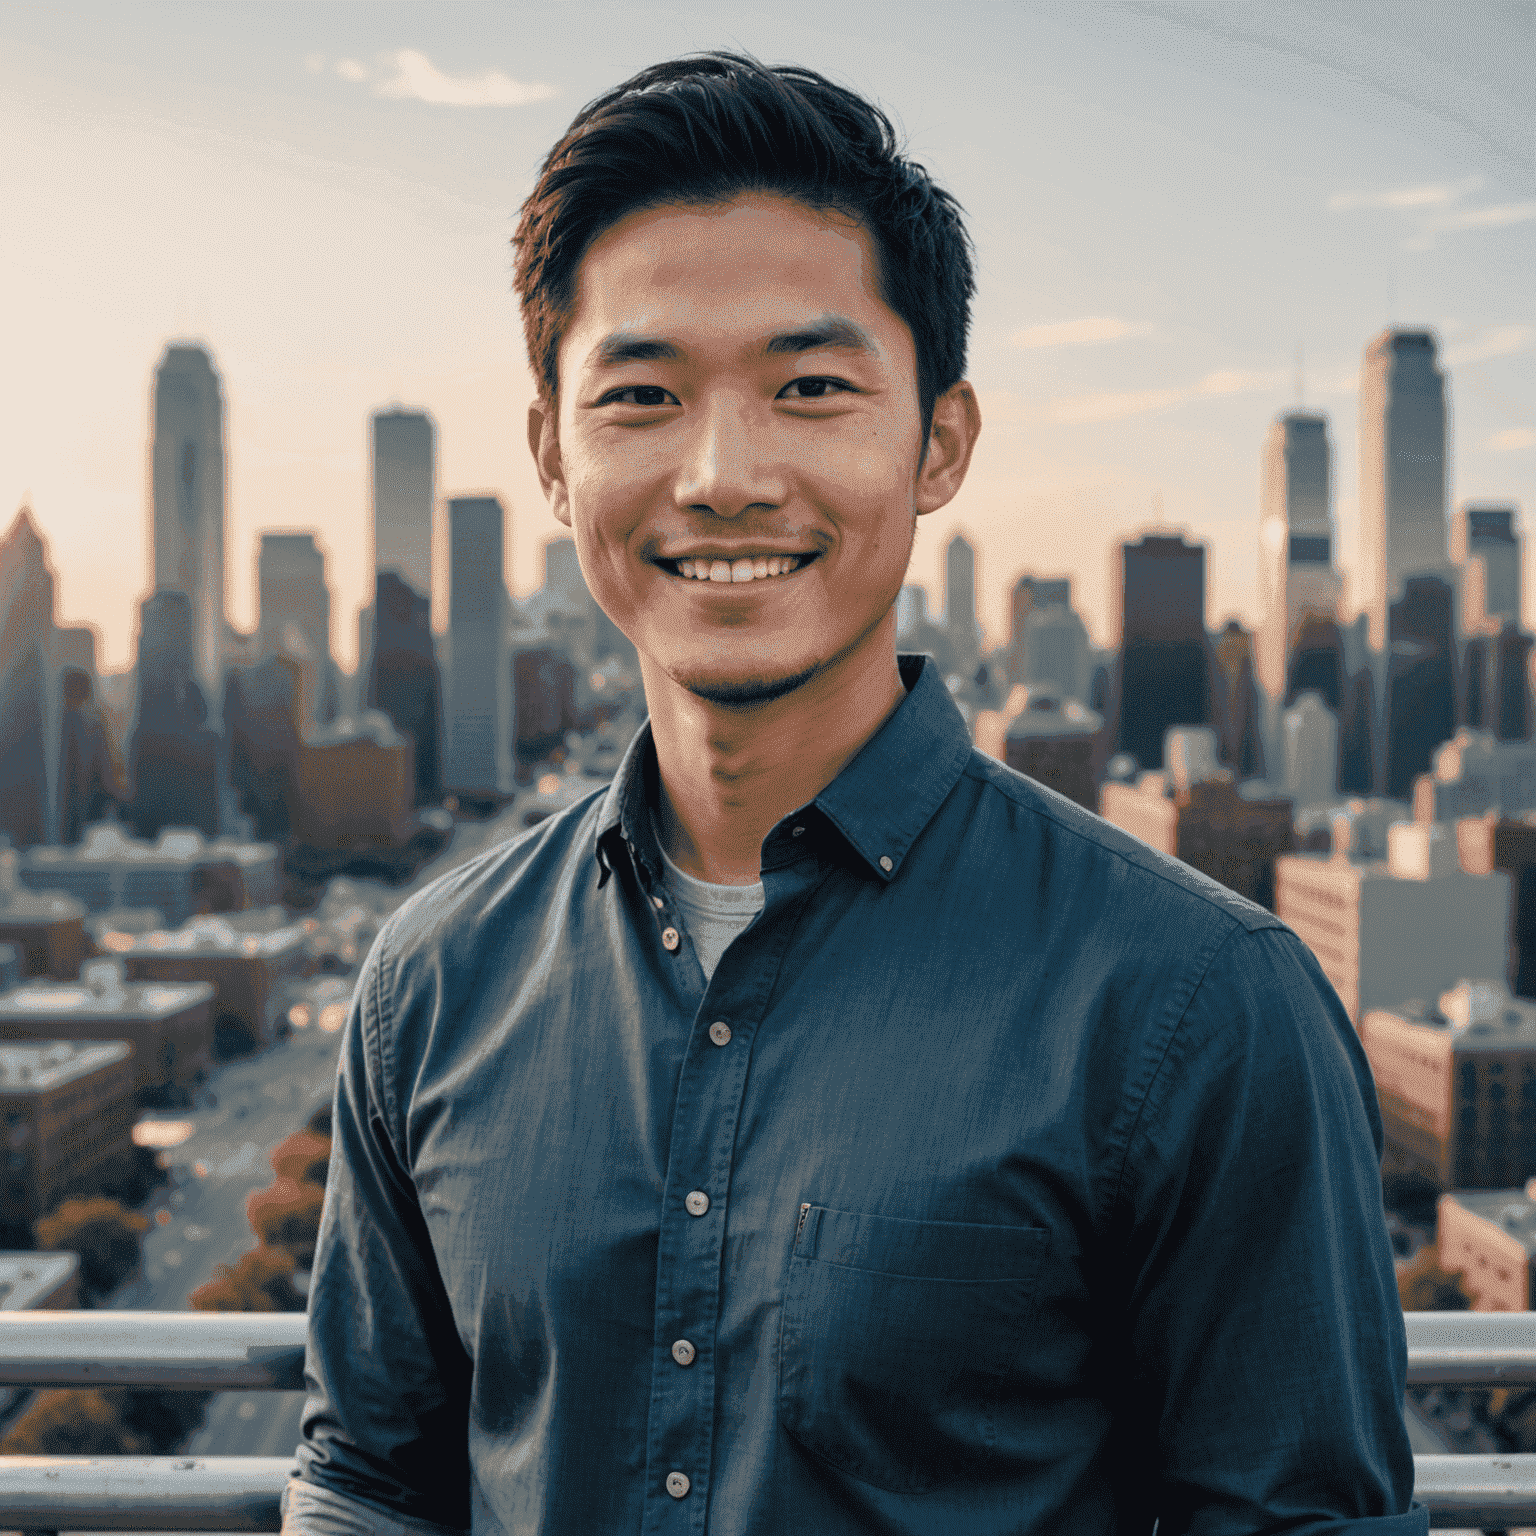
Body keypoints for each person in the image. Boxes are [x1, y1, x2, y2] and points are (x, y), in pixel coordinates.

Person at [285, 53, 1424, 1535]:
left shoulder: (1200, 1008)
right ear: (554, 459)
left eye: (811, 388)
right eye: (642, 395)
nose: (722, 475)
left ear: (938, 444)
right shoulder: (431, 986)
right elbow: (371, 1486)